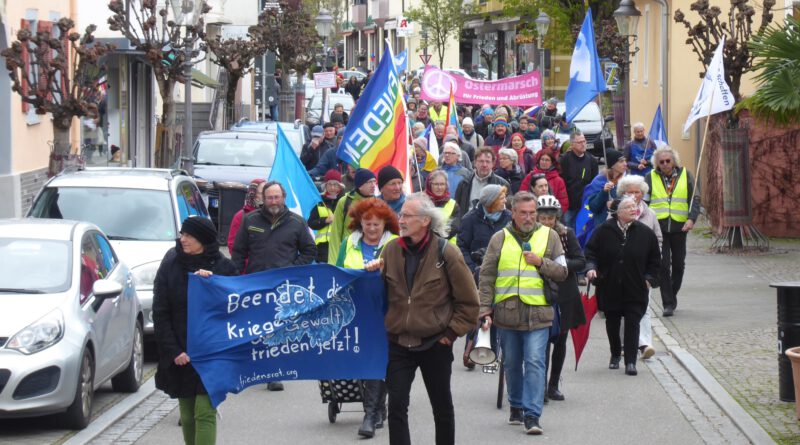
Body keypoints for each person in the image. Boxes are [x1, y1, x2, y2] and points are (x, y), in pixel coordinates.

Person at [364, 193, 479, 445]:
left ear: (425, 221)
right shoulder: (391, 250)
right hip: (397, 344)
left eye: (406, 215)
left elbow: (470, 302)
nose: (400, 220)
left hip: (435, 342)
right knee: (396, 407)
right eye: (400, 214)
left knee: (442, 407)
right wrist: (372, 275)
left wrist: (449, 336)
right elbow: (377, 297)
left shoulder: (447, 252)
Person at [478, 191, 568, 435]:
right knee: (513, 363)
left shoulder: (551, 237)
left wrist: (541, 262)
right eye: (523, 213)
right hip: (507, 313)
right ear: (513, 213)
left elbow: (562, 273)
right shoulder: (499, 238)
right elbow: (486, 276)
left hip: (539, 313)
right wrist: (485, 308)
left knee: (536, 362)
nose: (529, 217)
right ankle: (515, 405)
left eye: (532, 213)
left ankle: (532, 415)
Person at [153, 216, 238, 445]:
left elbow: (234, 311)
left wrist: (212, 285)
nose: (183, 239)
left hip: (212, 353)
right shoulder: (171, 264)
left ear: (203, 239)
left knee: (204, 411)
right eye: (182, 234)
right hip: (181, 351)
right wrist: (173, 350)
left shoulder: (224, 268)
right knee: (187, 415)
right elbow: (160, 311)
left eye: (189, 235)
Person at [230, 181, 316, 391]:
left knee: (277, 329)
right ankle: (255, 367)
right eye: (270, 197)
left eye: (277, 197)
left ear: (283, 198)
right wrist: (234, 280)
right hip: (256, 284)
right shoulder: (250, 220)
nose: (273, 201)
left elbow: (309, 251)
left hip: (283, 287)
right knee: (257, 328)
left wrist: (292, 270)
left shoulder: (297, 222)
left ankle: (273, 372)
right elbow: (239, 252)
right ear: (263, 199)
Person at [336, 198, 399, 438]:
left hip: (388, 312)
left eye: (376, 224)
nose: (372, 229)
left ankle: (370, 415)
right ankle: (378, 407)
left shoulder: (395, 244)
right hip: (357, 312)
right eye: (367, 223)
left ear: (386, 224)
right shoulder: (349, 243)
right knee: (363, 362)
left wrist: (384, 270)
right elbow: (339, 274)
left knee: (378, 361)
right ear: (359, 223)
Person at [585, 197, 661, 376]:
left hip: (636, 286)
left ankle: (631, 362)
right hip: (609, 285)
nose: (633, 209)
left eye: (634, 207)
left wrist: (649, 278)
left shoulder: (645, 233)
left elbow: (655, 260)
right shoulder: (603, 231)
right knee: (612, 322)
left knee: (633, 322)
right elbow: (590, 253)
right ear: (618, 212)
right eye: (628, 207)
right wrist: (591, 269)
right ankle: (614, 354)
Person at [534, 195, 586, 402]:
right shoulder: (532, 236)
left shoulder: (566, 234)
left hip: (564, 293)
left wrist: (561, 266)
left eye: (550, 218)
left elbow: (580, 260)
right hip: (541, 292)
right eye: (543, 218)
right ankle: (539, 386)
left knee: (560, 341)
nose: (547, 222)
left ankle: (553, 384)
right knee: (542, 342)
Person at [644, 146, 701, 317]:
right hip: (658, 227)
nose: (665, 164)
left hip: (679, 226)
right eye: (661, 162)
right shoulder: (650, 177)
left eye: (668, 161)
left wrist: (691, 219)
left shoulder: (686, 175)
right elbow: (645, 202)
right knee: (663, 265)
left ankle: (672, 294)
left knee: (678, 265)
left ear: (674, 161)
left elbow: (695, 199)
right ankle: (667, 303)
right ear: (657, 164)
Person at [458, 184, 510, 368]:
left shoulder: (509, 218)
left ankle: (492, 353)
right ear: (490, 202)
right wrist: (471, 267)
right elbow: (461, 246)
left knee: (497, 311)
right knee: (479, 311)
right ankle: (470, 351)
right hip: (476, 272)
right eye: (501, 198)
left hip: (502, 272)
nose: (505, 201)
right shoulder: (470, 219)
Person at [615, 175, 662, 359]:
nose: (634, 196)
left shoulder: (650, 215)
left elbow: (658, 239)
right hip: (622, 271)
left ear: (642, 194)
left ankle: (644, 344)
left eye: (637, 192)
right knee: (623, 309)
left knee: (645, 307)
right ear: (623, 194)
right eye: (630, 192)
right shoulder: (618, 214)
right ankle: (626, 344)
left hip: (643, 271)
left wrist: (654, 263)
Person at [328, 168, 378, 264]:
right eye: (369, 182)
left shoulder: (378, 203)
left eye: (374, 182)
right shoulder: (344, 201)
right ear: (360, 185)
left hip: (370, 255)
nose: (373, 185)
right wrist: (333, 263)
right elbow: (335, 232)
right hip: (348, 254)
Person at [454, 147, 510, 218]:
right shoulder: (464, 183)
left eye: (487, 161)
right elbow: (457, 208)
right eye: (481, 161)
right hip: (468, 225)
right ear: (475, 163)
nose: (484, 165)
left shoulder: (502, 184)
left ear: (493, 163)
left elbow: (507, 211)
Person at [559, 131, 598, 228]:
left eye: (584, 141)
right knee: (568, 229)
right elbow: (562, 182)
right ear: (572, 145)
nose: (583, 144)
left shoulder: (591, 160)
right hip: (570, 205)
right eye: (579, 142)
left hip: (585, 203)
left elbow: (594, 183)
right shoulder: (564, 160)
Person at [308, 170, 346, 263]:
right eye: (330, 184)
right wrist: (325, 220)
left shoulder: (345, 201)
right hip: (323, 248)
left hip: (340, 244)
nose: (332, 187)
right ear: (325, 185)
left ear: (340, 186)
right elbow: (311, 223)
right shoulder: (320, 202)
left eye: (335, 184)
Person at [227, 179, 266, 252]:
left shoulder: (272, 215)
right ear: (253, 194)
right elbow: (233, 245)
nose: (266, 196)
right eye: (262, 193)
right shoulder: (240, 216)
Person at [425, 169, 461, 243]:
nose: (439, 187)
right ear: (430, 185)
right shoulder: (422, 202)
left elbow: (454, 228)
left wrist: (436, 239)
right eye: (436, 184)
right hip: (425, 247)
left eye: (442, 184)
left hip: (447, 247)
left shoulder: (453, 204)